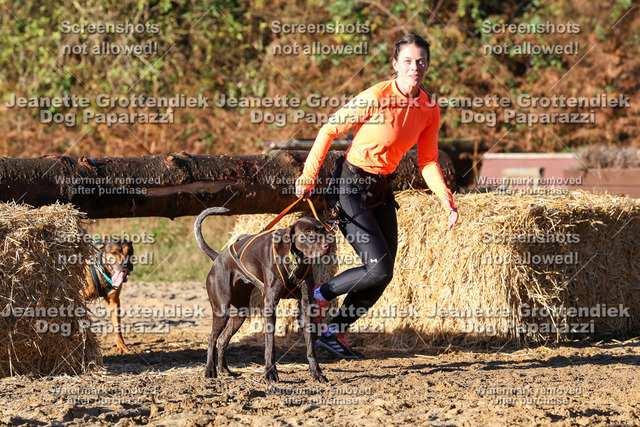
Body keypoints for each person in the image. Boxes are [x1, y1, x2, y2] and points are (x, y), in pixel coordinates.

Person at [295, 34, 458, 360]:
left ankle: (334, 332)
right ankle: (320, 295)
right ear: (395, 64)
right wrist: (309, 175)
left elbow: (427, 160)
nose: (415, 67)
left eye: (421, 61)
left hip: (382, 191)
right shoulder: (376, 96)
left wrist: (445, 198)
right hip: (350, 187)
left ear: (428, 65)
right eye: (408, 61)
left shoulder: (429, 108)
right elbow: (329, 129)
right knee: (379, 268)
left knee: (383, 275)